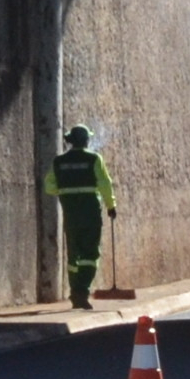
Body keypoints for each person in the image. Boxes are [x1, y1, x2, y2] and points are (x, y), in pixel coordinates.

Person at [48, 124, 118, 310]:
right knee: (90, 253)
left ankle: (74, 291)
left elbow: (49, 186)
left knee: (73, 254)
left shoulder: (58, 161)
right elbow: (105, 183)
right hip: (90, 212)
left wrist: (65, 192)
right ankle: (82, 292)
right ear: (86, 140)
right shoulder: (94, 159)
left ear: (71, 141)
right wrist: (111, 206)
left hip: (70, 213)